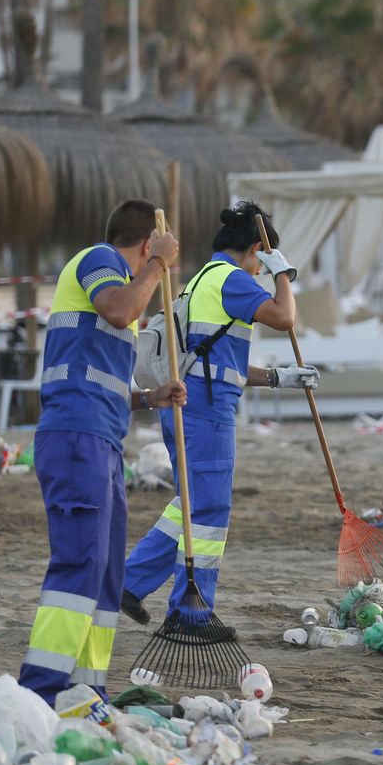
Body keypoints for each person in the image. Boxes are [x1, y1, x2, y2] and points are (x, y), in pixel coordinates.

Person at [18, 199, 188, 704]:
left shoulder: (126, 290)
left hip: (102, 441)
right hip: (75, 437)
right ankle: (42, 692)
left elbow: (99, 375)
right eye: (154, 252)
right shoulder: (101, 260)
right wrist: (159, 263)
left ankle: (87, 690)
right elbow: (117, 308)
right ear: (144, 242)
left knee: (107, 574)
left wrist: (147, 398)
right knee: (80, 563)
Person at [120, 202, 319, 627]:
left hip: (188, 403)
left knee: (189, 505)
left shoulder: (201, 280)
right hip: (206, 409)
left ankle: (129, 583)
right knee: (209, 512)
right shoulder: (232, 278)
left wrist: (278, 378)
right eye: (260, 264)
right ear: (253, 250)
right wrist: (284, 273)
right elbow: (284, 317)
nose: (259, 273)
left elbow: (217, 361)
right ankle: (190, 611)